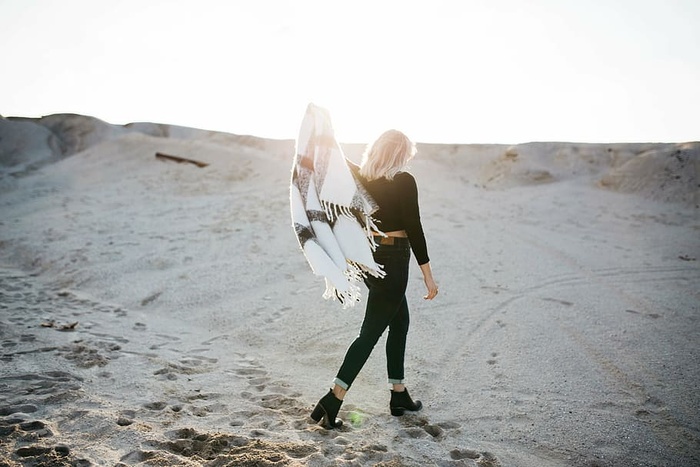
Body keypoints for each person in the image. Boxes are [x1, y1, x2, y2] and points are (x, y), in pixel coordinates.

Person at [310, 129, 439, 429]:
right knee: (370, 333)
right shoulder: (404, 181)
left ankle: (399, 394)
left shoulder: (363, 177)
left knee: (400, 321)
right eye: (406, 154)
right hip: (394, 260)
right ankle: (333, 398)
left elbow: (339, 158)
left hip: (371, 257)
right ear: (400, 154)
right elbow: (414, 227)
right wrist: (428, 276)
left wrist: (322, 131)